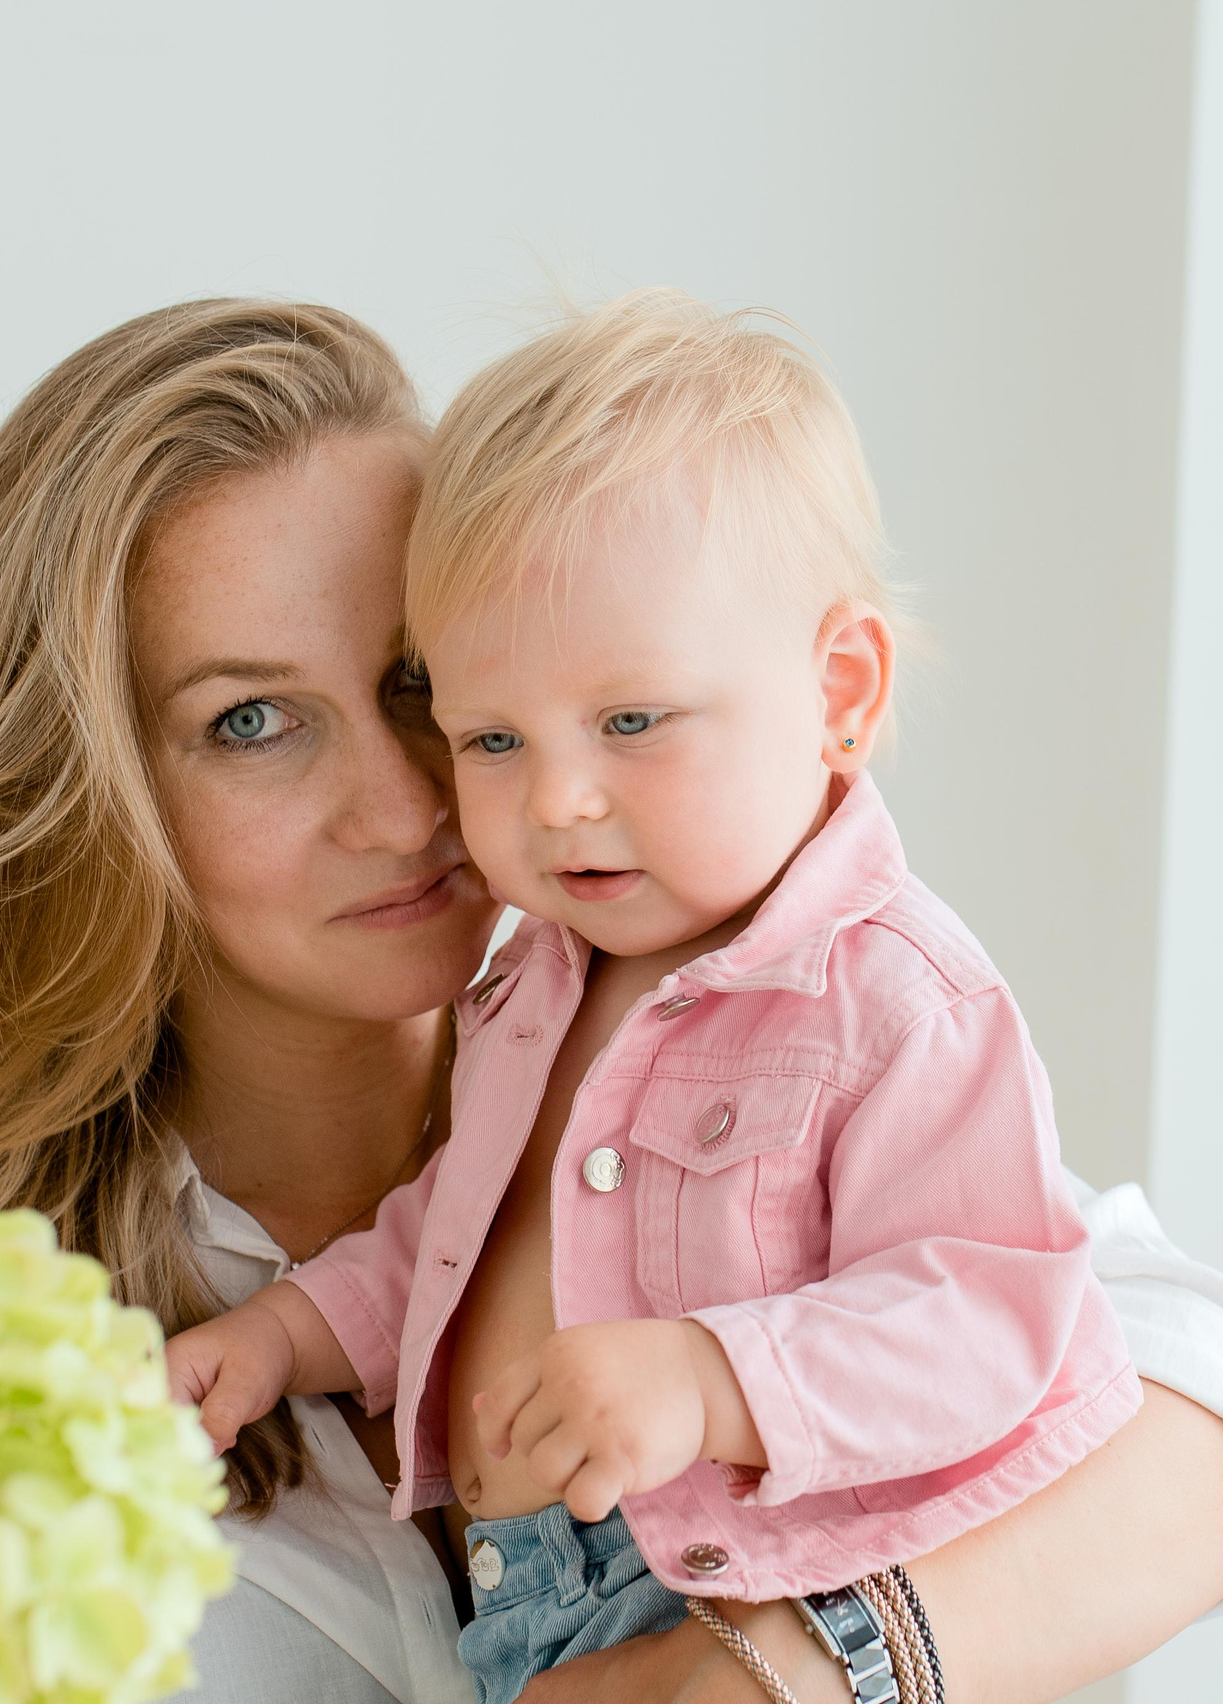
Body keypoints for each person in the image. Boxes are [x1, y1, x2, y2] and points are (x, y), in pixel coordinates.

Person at [0, 297, 1223, 1704]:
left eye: (418, 685)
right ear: (86, 786)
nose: (409, 804)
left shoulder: (771, 1042)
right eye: (256, 720)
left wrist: (795, 1667)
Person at [165, 293, 1141, 1703]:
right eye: (493, 737)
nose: (556, 800)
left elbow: (993, 1317)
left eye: (631, 720)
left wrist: (716, 1377)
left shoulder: (885, 996)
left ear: (840, 690)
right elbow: (452, 1240)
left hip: (737, 1595)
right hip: (520, 1608)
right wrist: (288, 1335)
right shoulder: (537, 989)